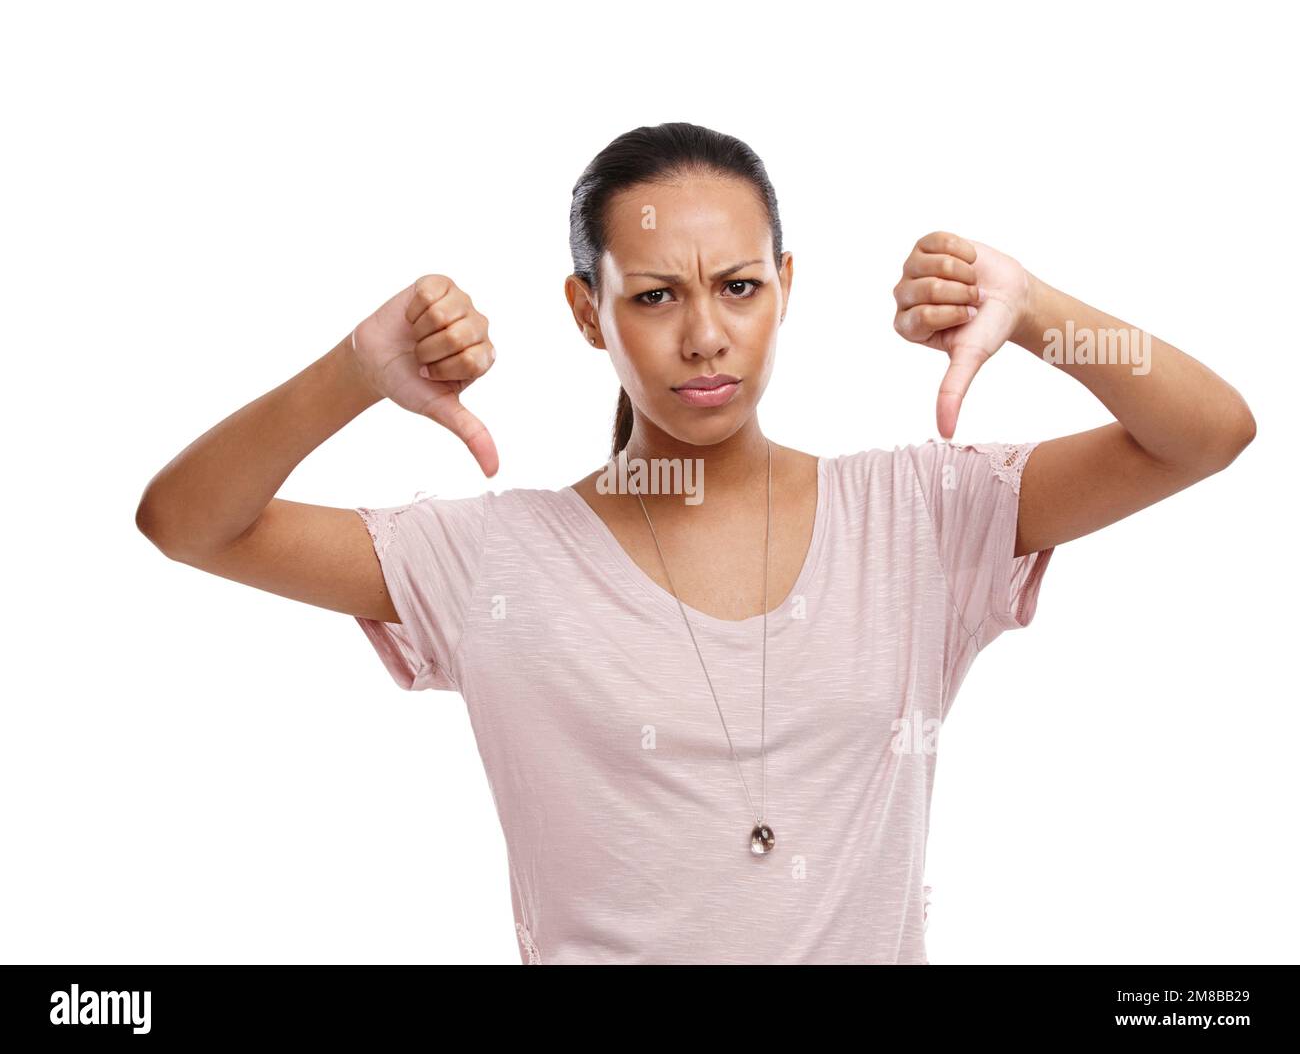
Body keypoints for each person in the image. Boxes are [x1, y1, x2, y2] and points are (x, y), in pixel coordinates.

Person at [135, 122, 1255, 965]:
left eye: (738, 286)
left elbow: (1204, 435)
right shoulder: (492, 561)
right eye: (656, 294)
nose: (706, 333)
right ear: (587, 312)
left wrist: (1040, 307)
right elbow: (187, 522)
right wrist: (351, 373)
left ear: (785, 289)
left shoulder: (919, 517)